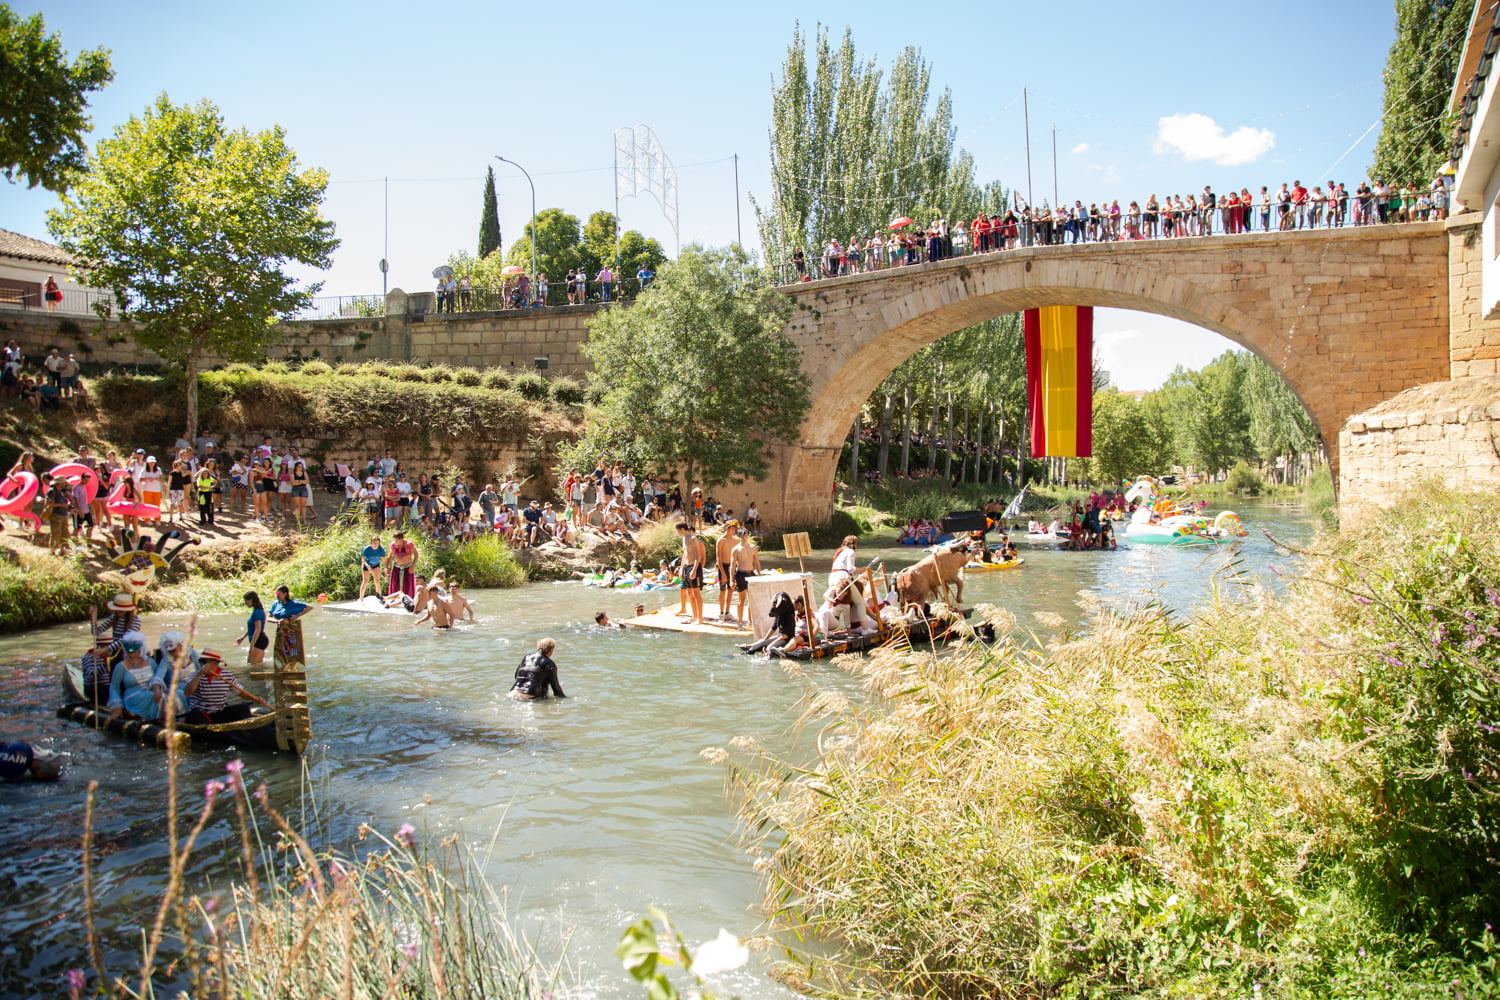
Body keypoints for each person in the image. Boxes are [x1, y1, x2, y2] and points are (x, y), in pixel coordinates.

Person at [180, 647, 259, 724]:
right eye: (202, 661)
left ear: (216, 663)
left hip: (219, 712)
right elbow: (187, 692)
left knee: (243, 708)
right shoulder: (195, 675)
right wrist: (200, 675)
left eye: (206, 662)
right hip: (201, 713)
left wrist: (255, 699)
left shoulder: (227, 675)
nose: (202, 664)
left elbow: (240, 692)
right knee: (194, 715)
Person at [107, 631, 173, 722]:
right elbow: (114, 687)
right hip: (133, 698)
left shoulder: (151, 662)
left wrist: (161, 689)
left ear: (141, 649)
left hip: (151, 692)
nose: (130, 652)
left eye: (134, 650)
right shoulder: (121, 666)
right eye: (128, 650)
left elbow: (158, 679)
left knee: (168, 696)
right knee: (150, 696)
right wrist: (116, 705)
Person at [728, 529, 762, 626]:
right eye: (742, 536)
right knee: (741, 600)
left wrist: (760, 574)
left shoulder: (752, 547)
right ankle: (740, 621)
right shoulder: (736, 549)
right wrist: (731, 580)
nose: (744, 538)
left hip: (751, 573)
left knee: (752, 599)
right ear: (739, 537)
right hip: (741, 574)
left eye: (745, 536)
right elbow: (733, 565)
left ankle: (750, 621)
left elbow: (757, 562)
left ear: (748, 536)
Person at [675, 521, 707, 624]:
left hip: (694, 566)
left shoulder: (693, 539)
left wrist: (694, 570)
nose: (678, 533)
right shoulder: (684, 539)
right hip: (686, 566)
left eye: (678, 531)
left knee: (696, 592)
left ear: (682, 529)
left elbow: (698, 556)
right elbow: (684, 555)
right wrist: (681, 569)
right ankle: (694, 616)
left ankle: (700, 618)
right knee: (689, 592)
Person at [235, 591, 270, 664]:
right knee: (258, 665)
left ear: (251, 600)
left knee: (253, 666)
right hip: (259, 640)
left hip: (258, 641)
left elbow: (257, 629)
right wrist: (242, 638)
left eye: (246, 600)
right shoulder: (258, 611)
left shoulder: (257, 612)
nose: (246, 603)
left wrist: (251, 646)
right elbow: (252, 628)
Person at [715, 522, 739, 620]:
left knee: (731, 590)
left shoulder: (735, 541)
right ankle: (721, 613)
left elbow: (737, 556)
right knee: (722, 590)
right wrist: (723, 572)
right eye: (731, 529)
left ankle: (727, 612)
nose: (733, 531)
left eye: (734, 529)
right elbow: (718, 558)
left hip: (732, 567)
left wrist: (737, 567)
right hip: (723, 566)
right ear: (726, 529)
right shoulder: (721, 541)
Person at [388, 530, 418, 597]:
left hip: (407, 567)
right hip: (397, 566)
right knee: (395, 583)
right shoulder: (393, 545)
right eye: (394, 540)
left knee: (408, 584)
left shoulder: (409, 544)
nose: (395, 542)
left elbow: (416, 555)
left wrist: (413, 566)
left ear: (401, 539)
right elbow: (390, 556)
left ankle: (408, 599)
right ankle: (394, 599)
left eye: (397, 540)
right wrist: (386, 567)